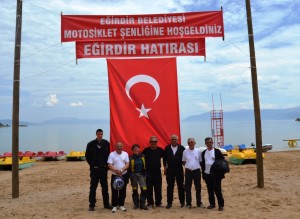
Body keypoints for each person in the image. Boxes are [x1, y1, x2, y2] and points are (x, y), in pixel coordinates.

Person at [85, 129, 112, 211]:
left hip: (103, 169)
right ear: (96, 134)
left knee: (105, 188)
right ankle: (91, 205)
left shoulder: (106, 143)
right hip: (94, 169)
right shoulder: (90, 144)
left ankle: (106, 204)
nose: (100, 135)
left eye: (101, 134)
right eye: (99, 134)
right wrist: (92, 165)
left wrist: (107, 166)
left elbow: (109, 155)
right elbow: (87, 156)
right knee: (93, 188)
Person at [200, 137, 225, 211]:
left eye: (210, 142)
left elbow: (222, 162)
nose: (209, 143)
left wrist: (221, 173)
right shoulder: (204, 152)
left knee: (217, 189)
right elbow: (202, 164)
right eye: (207, 142)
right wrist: (203, 174)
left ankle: (221, 205)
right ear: (205, 143)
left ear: (212, 143)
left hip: (216, 174)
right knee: (210, 190)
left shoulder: (217, 151)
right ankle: (212, 204)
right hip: (207, 173)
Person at [163, 134, 185, 209]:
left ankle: (182, 202)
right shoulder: (167, 148)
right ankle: (169, 203)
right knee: (170, 186)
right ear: (170, 140)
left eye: (175, 139)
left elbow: (184, 158)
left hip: (179, 169)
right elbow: (164, 159)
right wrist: (165, 167)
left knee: (181, 186)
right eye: (172, 139)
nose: (174, 140)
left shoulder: (182, 148)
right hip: (170, 169)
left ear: (177, 140)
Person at [142, 136, 164, 208]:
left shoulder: (160, 150)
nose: (153, 143)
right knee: (149, 188)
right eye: (152, 141)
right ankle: (150, 203)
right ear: (149, 142)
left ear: (157, 142)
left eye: (155, 141)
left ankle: (158, 203)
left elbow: (166, 158)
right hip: (148, 172)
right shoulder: (146, 150)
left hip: (157, 172)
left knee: (158, 188)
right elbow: (140, 159)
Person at [107, 142, 130, 213]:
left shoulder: (125, 154)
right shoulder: (112, 154)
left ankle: (121, 205)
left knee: (123, 190)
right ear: (115, 147)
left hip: (124, 174)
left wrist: (121, 170)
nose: (119, 147)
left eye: (120, 146)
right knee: (114, 190)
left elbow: (127, 164)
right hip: (115, 175)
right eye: (118, 146)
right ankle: (114, 205)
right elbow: (109, 164)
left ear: (122, 147)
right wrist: (116, 171)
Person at [182, 138, 203, 209]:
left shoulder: (198, 151)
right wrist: (189, 166)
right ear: (188, 143)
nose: (190, 144)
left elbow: (200, 161)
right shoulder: (185, 151)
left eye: (192, 142)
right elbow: (184, 162)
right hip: (188, 171)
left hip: (196, 171)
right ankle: (188, 203)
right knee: (187, 188)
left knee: (198, 188)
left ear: (194, 143)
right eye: (189, 143)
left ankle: (199, 203)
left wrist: (194, 166)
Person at [129, 144, 148, 210]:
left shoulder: (143, 156)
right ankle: (136, 204)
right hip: (133, 176)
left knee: (144, 189)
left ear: (139, 149)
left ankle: (142, 204)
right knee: (134, 189)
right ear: (133, 151)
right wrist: (130, 176)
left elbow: (147, 166)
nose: (136, 150)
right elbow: (128, 168)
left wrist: (145, 174)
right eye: (134, 149)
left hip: (141, 175)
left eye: (137, 148)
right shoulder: (130, 158)